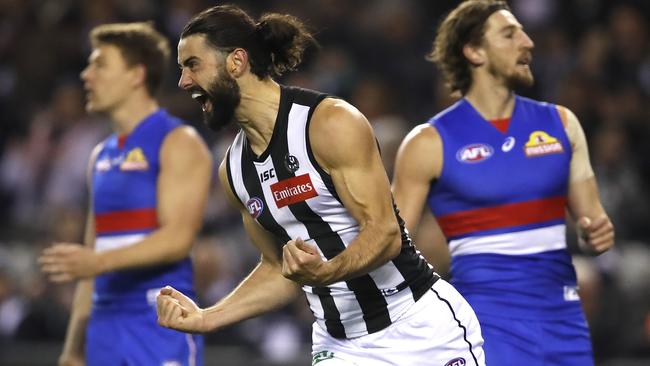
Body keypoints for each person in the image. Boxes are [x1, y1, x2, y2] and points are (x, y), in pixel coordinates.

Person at [155, 5, 485, 366]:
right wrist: (207, 317)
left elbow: (386, 233)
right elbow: (277, 268)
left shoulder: (328, 123)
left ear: (236, 62)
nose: (183, 82)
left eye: (192, 64)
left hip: (419, 327)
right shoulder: (233, 171)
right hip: (340, 345)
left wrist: (326, 273)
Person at [392, 1, 615, 365]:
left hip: (565, 323)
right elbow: (392, 244)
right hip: (484, 327)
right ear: (474, 51)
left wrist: (597, 232)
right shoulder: (427, 142)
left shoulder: (562, 123)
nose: (527, 42)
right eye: (510, 34)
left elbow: (594, 223)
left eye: (524, 32)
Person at [38, 22, 211, 366]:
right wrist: (73, 349)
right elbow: (92, 253)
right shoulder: (100, 155)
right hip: (102, 327)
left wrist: (97, 262)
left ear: (136, 74)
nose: (86, 75)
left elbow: (177, 238)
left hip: (160, 321)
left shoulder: (177, 141)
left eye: (100, 64)